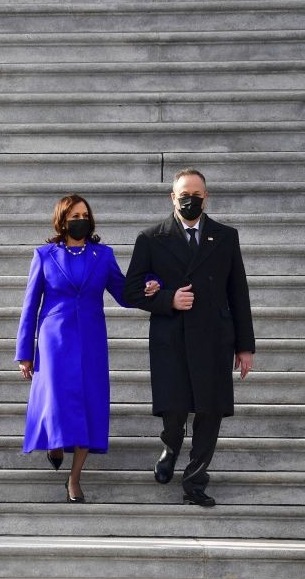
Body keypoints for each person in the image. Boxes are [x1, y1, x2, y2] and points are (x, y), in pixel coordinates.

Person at [16, 194, 159, 503]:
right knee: (56, 398)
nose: (80, 219)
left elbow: (123, 293)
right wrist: (24, 352)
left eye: (85, 214)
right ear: (62, 220)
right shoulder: (44, 255)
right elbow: (30, 306)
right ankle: (54, 443)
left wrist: (149, 283)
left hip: (92, 339)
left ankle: (75, 478)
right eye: (74, 214)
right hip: (55, 339)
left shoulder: (103, 256)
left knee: (90, 405)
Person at [124, 168, 255, 507]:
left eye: (196, 195)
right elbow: (131, 291)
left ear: (205, 197)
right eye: (184, 194)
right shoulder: (151, 238)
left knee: (210, 412)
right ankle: (170, 445)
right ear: (172, 197)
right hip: (171, 339)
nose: (190, 200)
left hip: (214, 339)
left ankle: (195, 481)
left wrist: (245, 346)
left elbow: (238, 292)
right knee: (175, 409)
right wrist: (168, 299)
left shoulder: (225, 236)